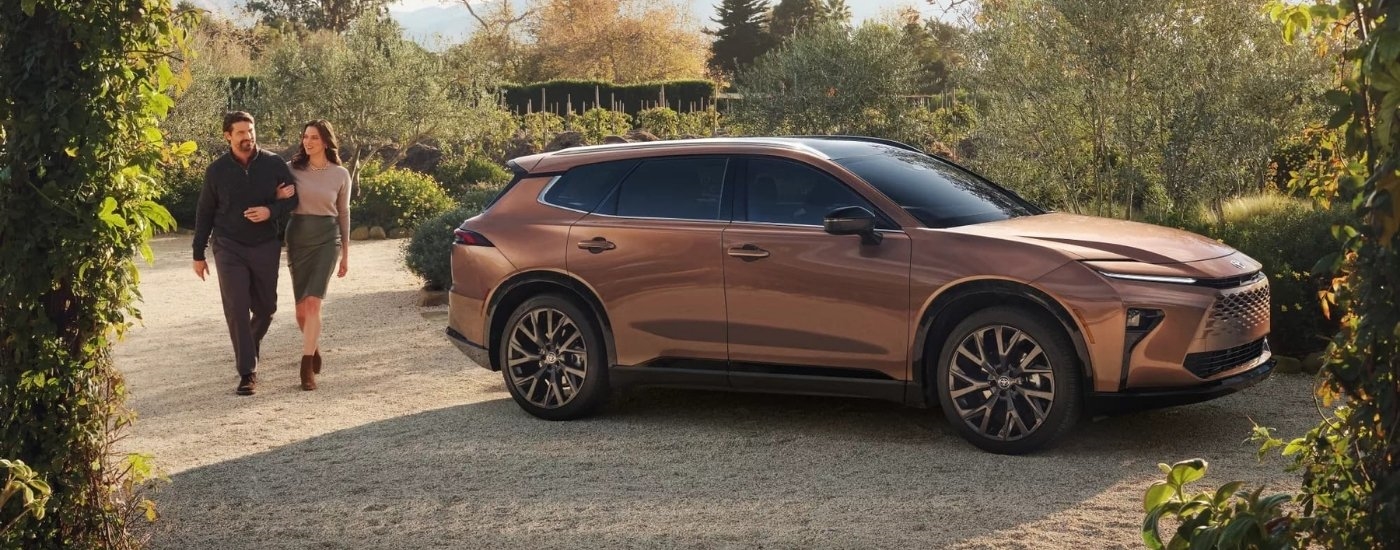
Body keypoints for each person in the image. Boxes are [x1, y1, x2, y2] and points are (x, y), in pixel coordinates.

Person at [193, 111, 299, 396]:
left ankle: (248, 347)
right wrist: (198, 253)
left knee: (266, 308)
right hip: (229, 246)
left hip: (265, 244)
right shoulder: (216, 171)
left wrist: (271, 210)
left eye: (250, 131)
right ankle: (247, 372)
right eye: (240, 132)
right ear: (228, 135)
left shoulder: (273, 164)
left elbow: (294, 199)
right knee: (237, 307)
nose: (247, 137)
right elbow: (204, 212)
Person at [284, 120, 351, 391]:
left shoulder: (341, 174)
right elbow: (277, 198)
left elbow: (344, 214)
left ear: (325, 141)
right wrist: (278, 194)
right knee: (301, 310)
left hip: (327, 238)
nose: (307, 141)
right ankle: (314, 346)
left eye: (313, 137)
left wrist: (346, 253)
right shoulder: (290, 170)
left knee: (313, 303)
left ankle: (306, 365)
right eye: (305, 137)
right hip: (297, 236)